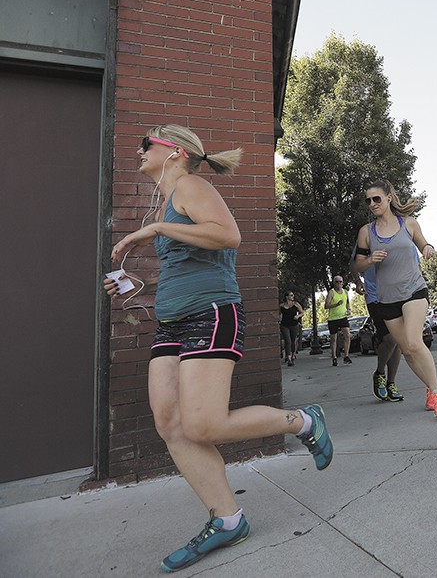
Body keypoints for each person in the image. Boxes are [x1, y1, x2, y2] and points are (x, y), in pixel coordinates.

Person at [104, 124, 333, 572]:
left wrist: (153, 228)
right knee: (170, 422)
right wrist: (137, 283)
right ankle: (227, 519)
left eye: (146, 143)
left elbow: (228, 236)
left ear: (173, 151)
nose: (139, 149)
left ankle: (303, 421)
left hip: (211, 313)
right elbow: (188, 261)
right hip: (173, 320)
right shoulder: (170, 199)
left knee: (204, 424)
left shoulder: (191, 185)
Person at [353, 179, 437, 417]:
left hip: (414, 290)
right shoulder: (366, 232)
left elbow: (425, 245)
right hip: (387, 299)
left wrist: (428, 249)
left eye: (377, 198)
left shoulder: (409, 224)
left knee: (415, 342)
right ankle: (430, 390)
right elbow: (358, 264)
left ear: (388, 197)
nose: (372, 203)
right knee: (407, 350)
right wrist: (369, 260)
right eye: (368, 200)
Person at [350, 247, 404, 402]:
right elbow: (353, 262)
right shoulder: (367, 235)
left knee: (398, 341)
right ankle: (380, 373)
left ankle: (391, 383)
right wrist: (357, 281)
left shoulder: (401, 232)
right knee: (390, 339)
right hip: (374, 296)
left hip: (397, 294)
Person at [325, 275, 352, 366]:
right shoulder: (331, 292)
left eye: (340, 282)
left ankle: (346, 356)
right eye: (337, 282)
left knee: (347, 334)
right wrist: (336, 304)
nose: (339, 283)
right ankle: (334, 357)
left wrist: (349, 310)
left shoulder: (345, 292)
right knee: (333, 339)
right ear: (334, 283)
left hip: (343, 317)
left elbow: (347, 303)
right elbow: (326, 306)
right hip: (333, 318)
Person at [279, 291, 304, 366]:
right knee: (288, 341)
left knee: (293, 341)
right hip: (284, 325)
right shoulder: (282, 306)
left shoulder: (296, 304)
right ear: (287, 297)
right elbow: (277, 314)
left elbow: (302, 312)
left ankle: (293, 354)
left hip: (294, 324)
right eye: (291, 295)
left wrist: (298, 316)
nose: (293, 296)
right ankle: (288, 357)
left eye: (293, 295)